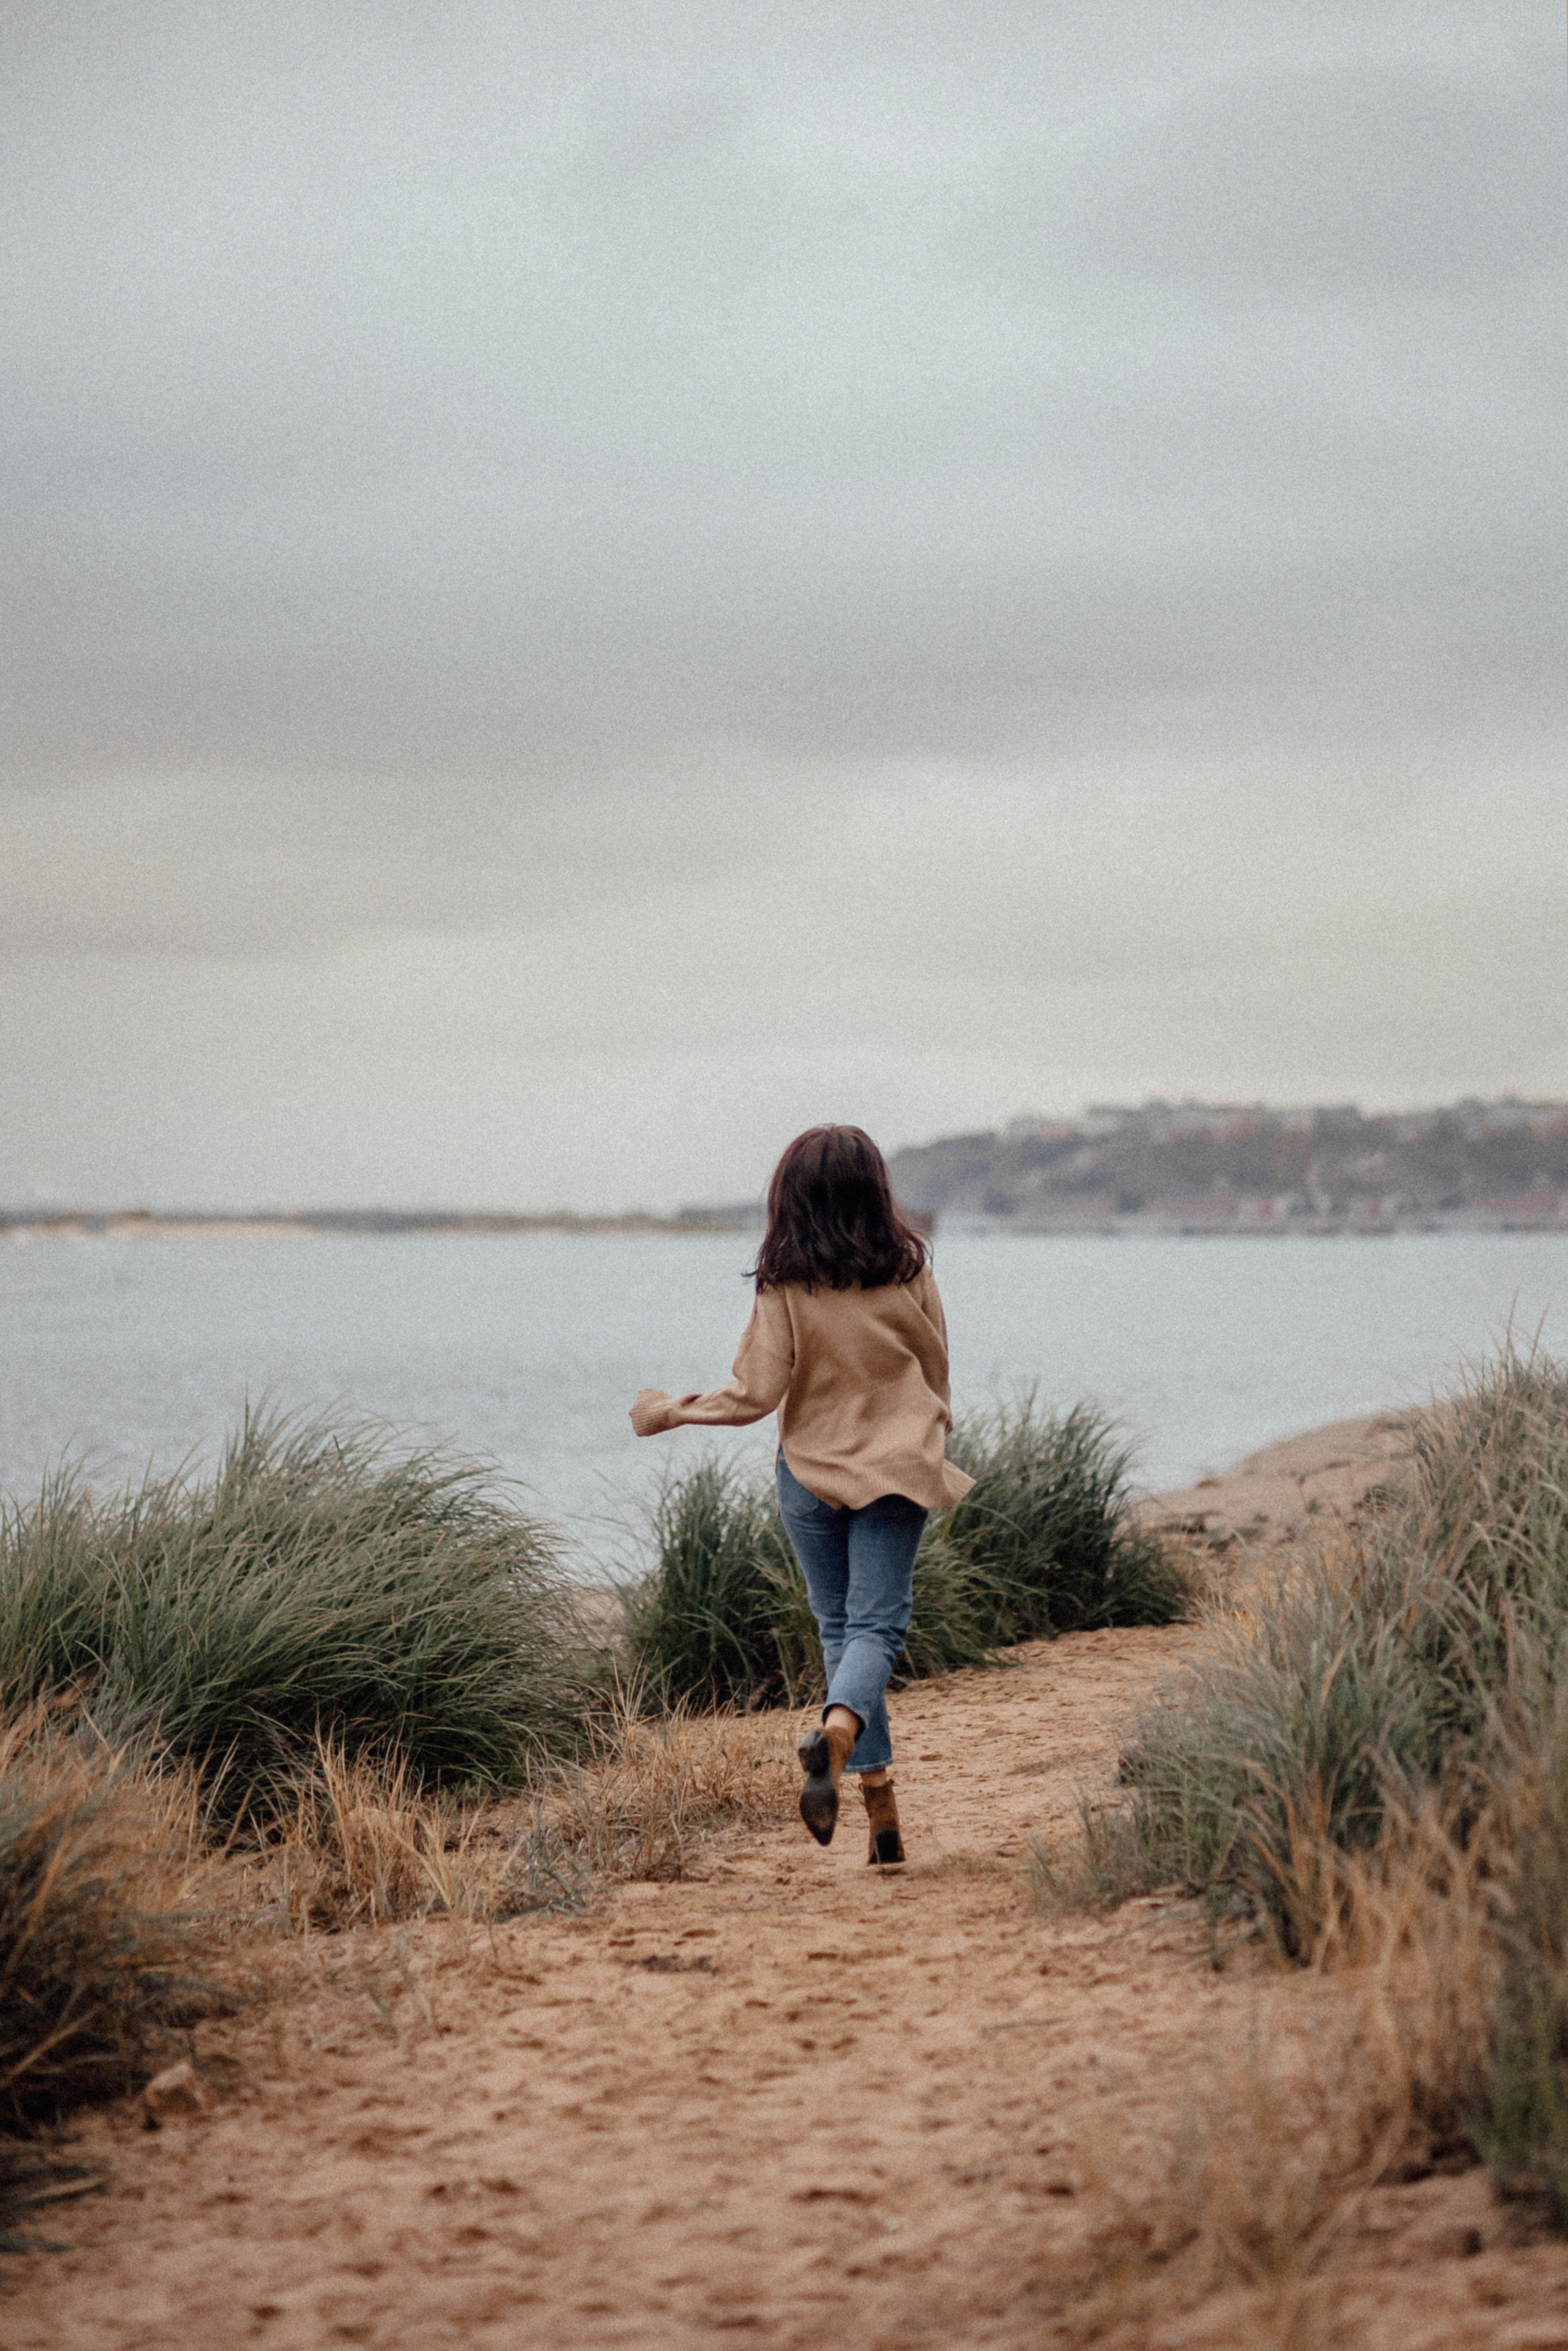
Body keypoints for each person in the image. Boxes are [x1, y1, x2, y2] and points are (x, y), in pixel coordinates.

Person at [629, 1124, 973, 1865]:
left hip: (810, 1473)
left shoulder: (783, 1281)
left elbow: (755, 1395)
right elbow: (936, 1364)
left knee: (840, 1630)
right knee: (874, 1630)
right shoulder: (908, 1266)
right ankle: (838, 1737)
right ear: (874, 1190)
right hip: (895, 1469)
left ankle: (881, 1820)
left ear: (791, 1196)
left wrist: (672, 1410)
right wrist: (928, 1431)